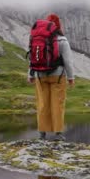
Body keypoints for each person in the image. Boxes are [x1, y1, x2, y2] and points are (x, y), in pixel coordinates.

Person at [27, 13, 75, 141]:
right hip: (58, 76)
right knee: (57, 103)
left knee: (42, 103)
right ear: (58, 26)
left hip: (39, 75)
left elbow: (32, 57)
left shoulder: (35, 37)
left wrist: (30, 74)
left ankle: (42, 133)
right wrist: (71, 78)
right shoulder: (62, 40)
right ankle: (58, 133)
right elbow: (68, 61)